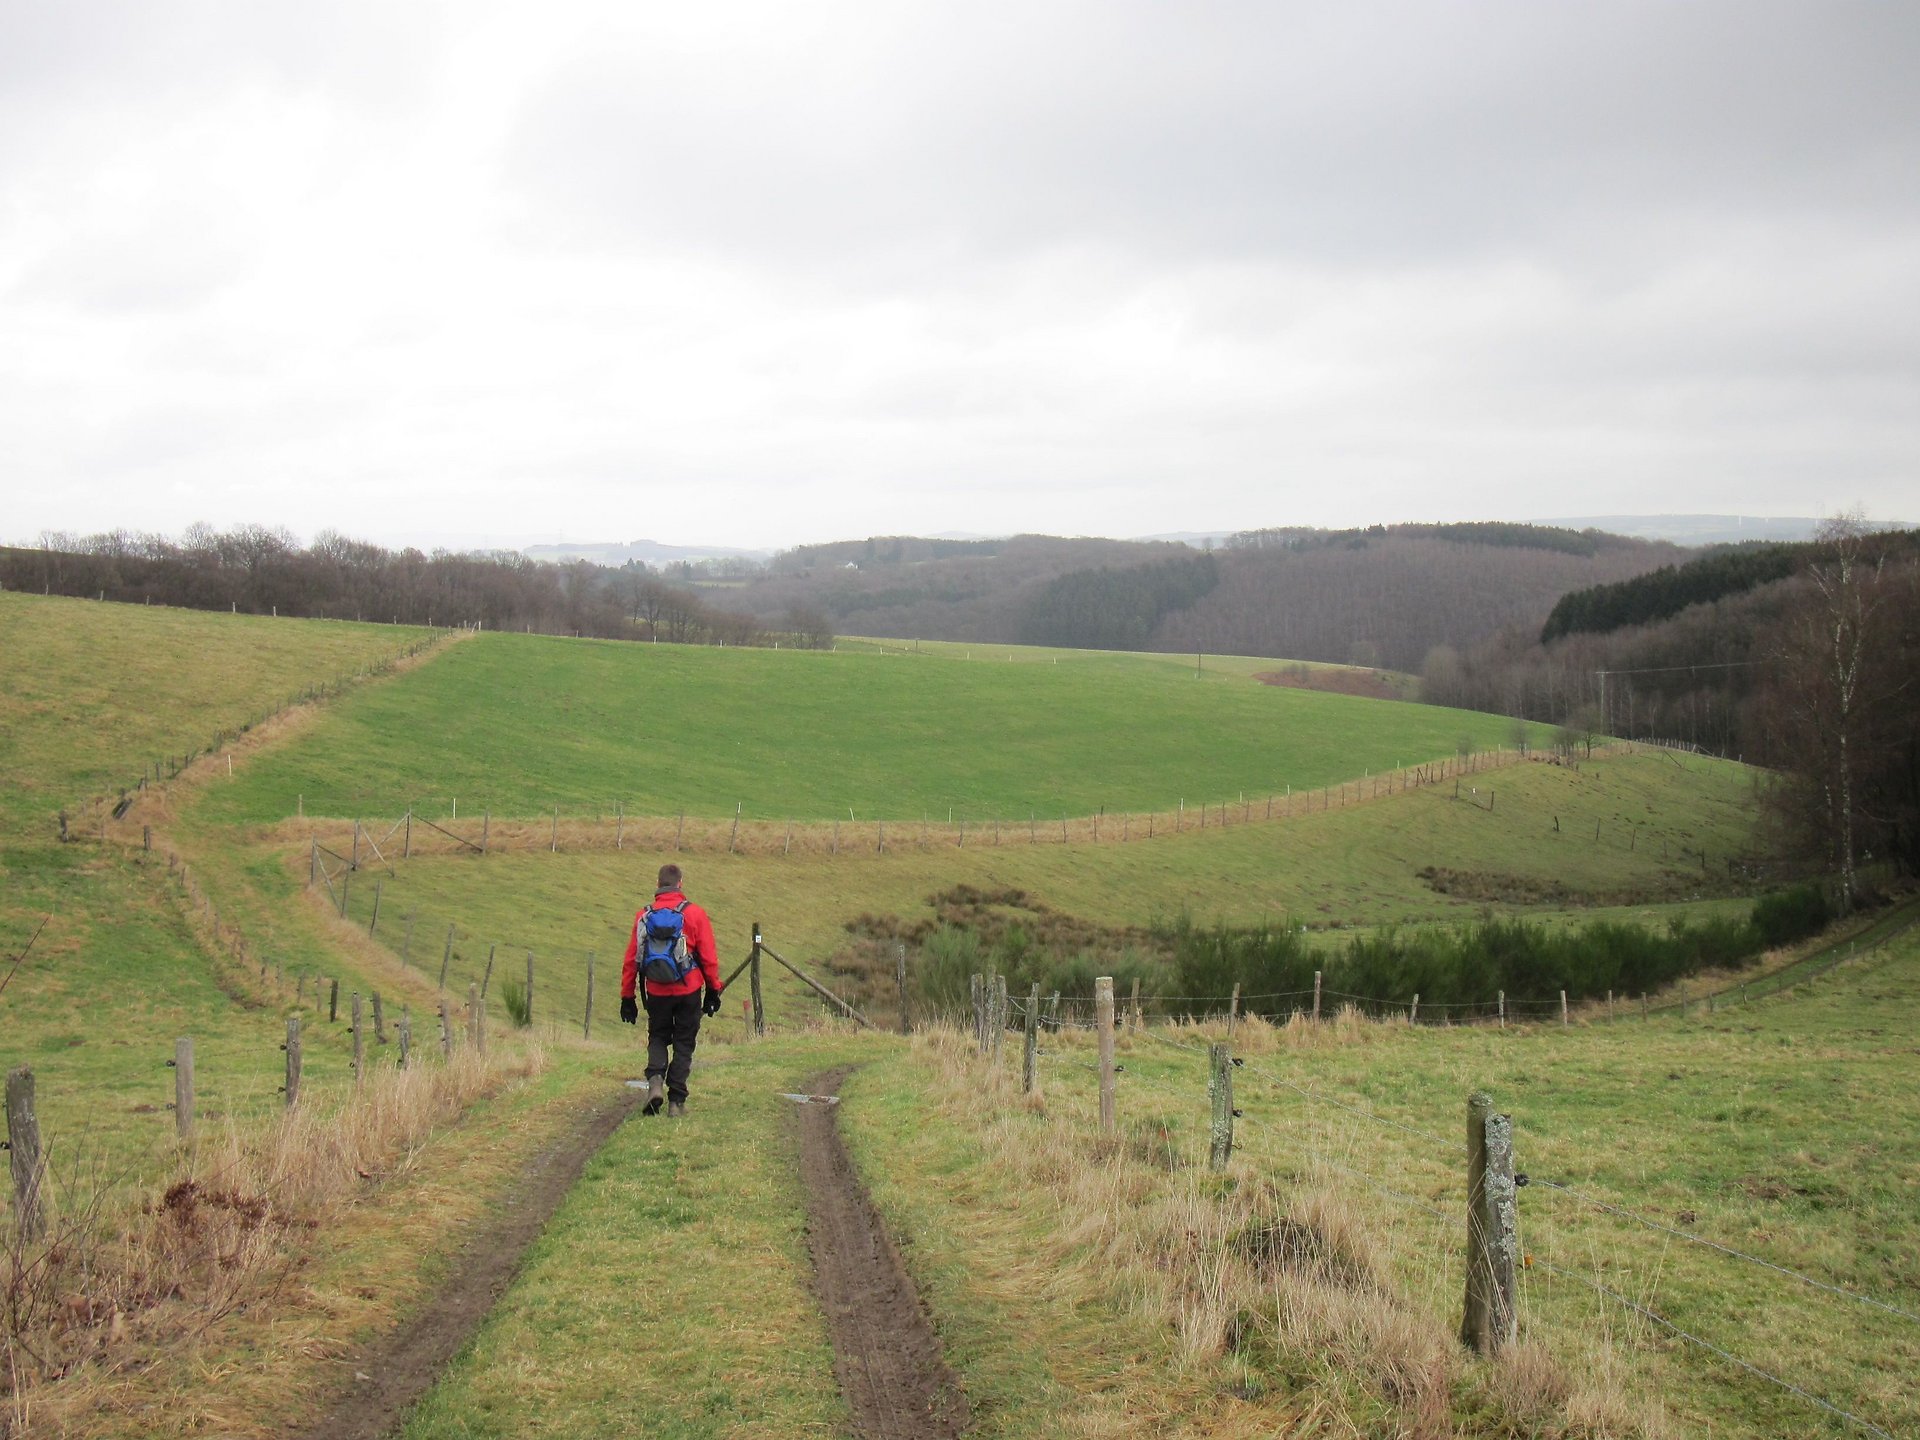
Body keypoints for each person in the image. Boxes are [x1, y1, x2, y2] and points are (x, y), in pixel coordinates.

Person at [620, 863, 723, 1116]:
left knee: (657, 1037)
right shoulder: (695, 914)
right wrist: (713, 990)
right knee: (684, 1043)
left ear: (658, 885)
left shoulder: (643, 915)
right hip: (688, 990)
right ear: (680, 884)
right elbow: (708, 957)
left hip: (656, 991)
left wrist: (627, 997)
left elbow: (631, 959)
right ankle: (676, 1102)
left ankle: (655, 1082)